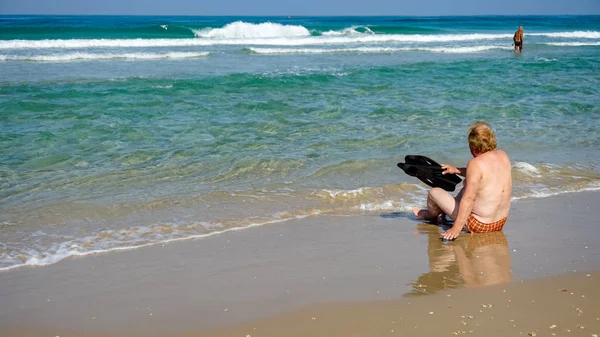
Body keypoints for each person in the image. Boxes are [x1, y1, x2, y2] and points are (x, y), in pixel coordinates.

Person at [412, 121, 512, 240]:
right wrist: (456, 170)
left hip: (480, 225)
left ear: (473, 146)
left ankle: (428, 214)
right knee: (469, 185)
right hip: (499, 222)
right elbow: (483, 175)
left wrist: (456, 228)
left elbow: (469, 199)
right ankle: (443, 211)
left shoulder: (475, 164)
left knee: (434, 193)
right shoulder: (503, 155)